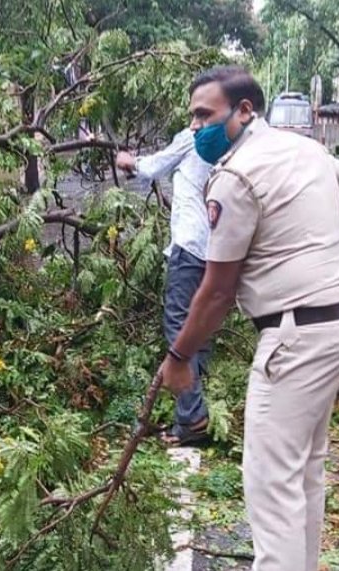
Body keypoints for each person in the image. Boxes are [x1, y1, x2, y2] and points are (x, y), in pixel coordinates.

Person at [158, 66, 339, 571]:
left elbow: (216, 292)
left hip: (296, 339)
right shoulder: (304, 149)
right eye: (192, 116)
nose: (196, 127)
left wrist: (179, 357)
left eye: (204, 114)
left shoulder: (233, 176)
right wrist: (298, 234)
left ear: (245, 110)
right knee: (303, 474)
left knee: (271, 485)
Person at [115, 132, 213, 446]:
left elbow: (153, 167)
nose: (196, 118)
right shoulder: (229, 138)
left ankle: (192, 416)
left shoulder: (197, 136)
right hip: (214, 248)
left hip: (189, 244)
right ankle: (197, 401)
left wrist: (128, 160)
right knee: (201, 326)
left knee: (178, 326)